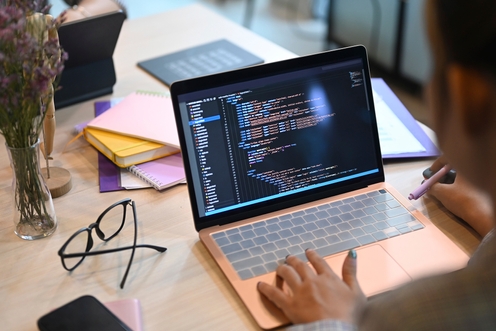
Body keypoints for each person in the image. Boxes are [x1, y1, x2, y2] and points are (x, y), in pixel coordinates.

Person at [257, 0, 496, 329]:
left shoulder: (408, 317)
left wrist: (343, 320)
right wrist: (484, 217)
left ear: (467, 97)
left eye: (434, 62)